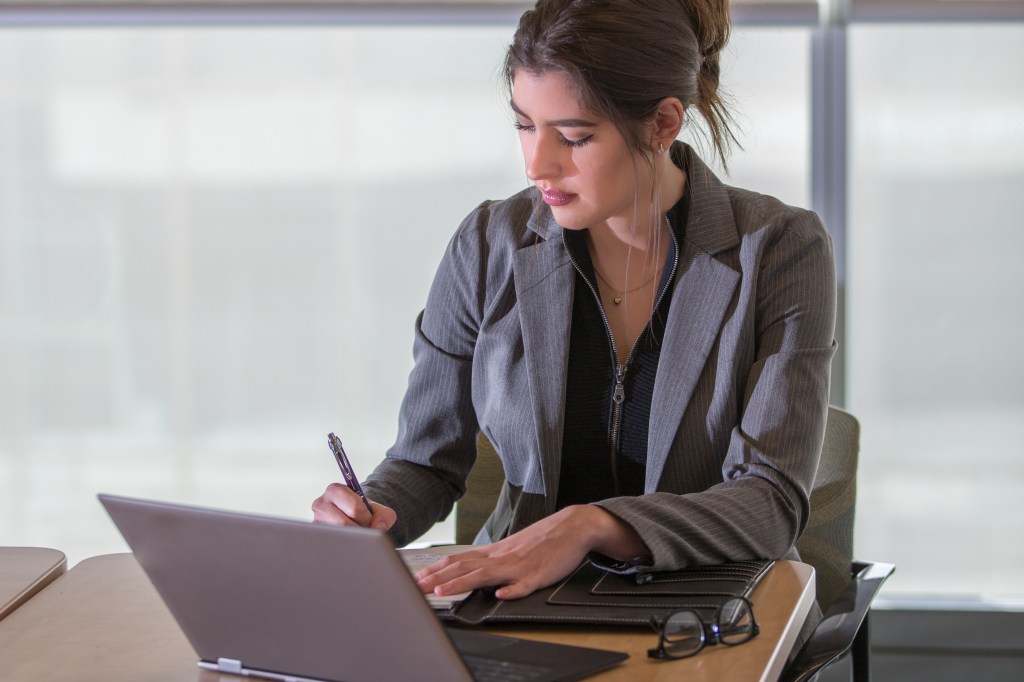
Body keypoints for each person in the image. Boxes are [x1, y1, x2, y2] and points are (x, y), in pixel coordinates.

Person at [312, 0, 836, 606]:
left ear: (664, 123)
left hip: (711, 602)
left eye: (573, 136)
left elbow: (770, 503)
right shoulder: (488, 245)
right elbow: (425, 461)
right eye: (524, 125)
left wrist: (591, 525)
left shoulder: (778, 250)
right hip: (514, 601)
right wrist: (376, 513)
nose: (538, 163)